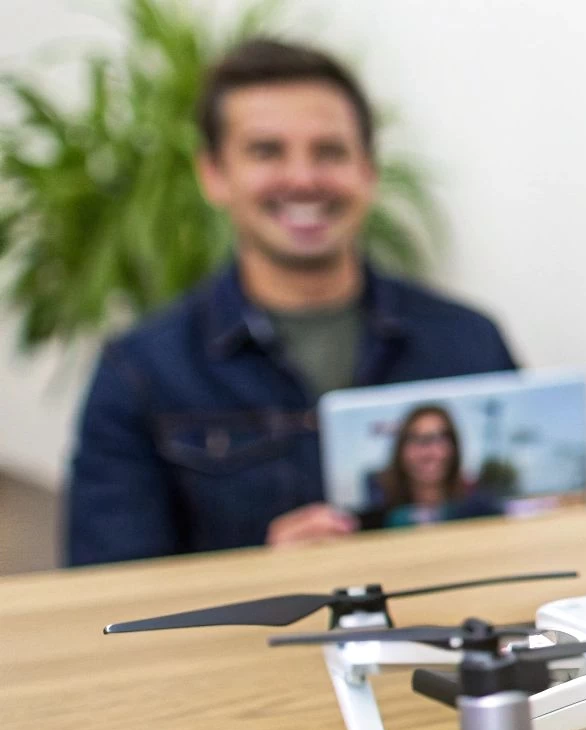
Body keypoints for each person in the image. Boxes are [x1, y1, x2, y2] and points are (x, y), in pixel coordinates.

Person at [64, 38, 516, 566]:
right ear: (214, 175)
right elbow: (107, 587)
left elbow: (535, 538)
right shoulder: (139, 373)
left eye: (329, 151)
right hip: (235, 648)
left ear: (367, 171)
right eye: (266, 151)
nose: (303, 178)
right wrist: (263, 574)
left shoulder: (469, 343)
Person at [367, 404, 503, 528]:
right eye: (417, 440)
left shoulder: (479, 505)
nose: (429, 453)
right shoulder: (377, 508)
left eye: (439, 439)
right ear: (400, 450)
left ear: (454, 447)